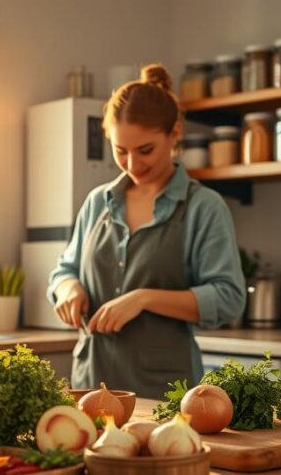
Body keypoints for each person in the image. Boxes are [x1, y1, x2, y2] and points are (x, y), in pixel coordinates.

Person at [47, 63, 246, 399]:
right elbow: (64, 269)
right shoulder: (99, 202)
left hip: (164, 394)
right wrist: (68, 289)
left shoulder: (203, 207)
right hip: (90, 386)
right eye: (120, 151)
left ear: (175, 133)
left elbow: (229, 298)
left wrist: (144, 299)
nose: (133, 164)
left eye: (145, 151)